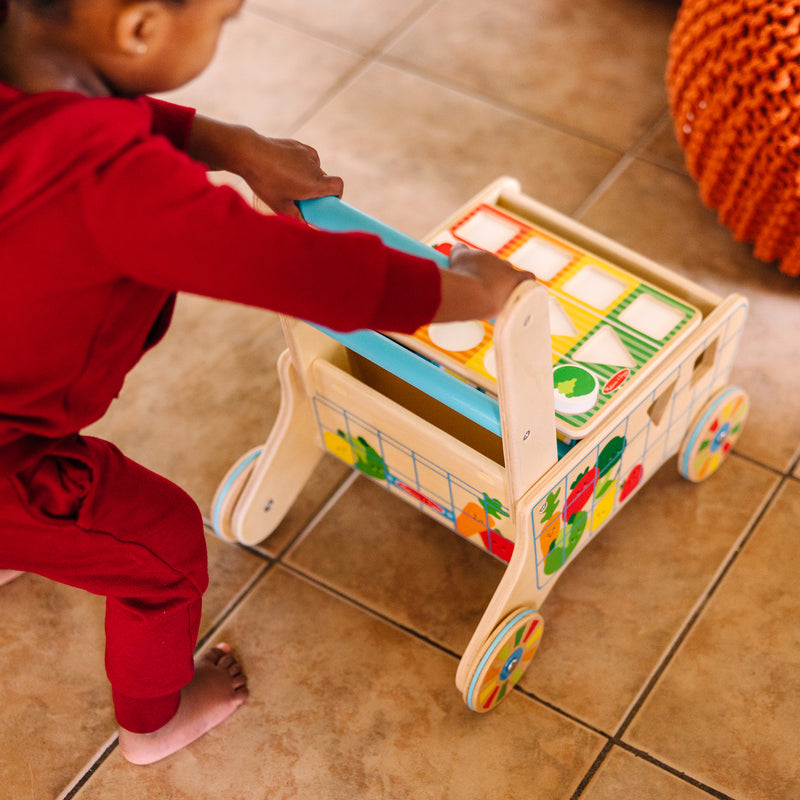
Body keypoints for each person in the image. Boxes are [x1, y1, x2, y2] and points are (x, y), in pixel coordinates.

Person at [0, 0, 533, 766]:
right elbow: (289, 267)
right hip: (7, 452)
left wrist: (231, 144)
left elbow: (93, 114)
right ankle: (155, 723)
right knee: (163, 546)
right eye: (225, 18)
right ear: (140, 27)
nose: (227, 27)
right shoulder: (111, 181)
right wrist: (466, 291)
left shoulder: (24, 64)